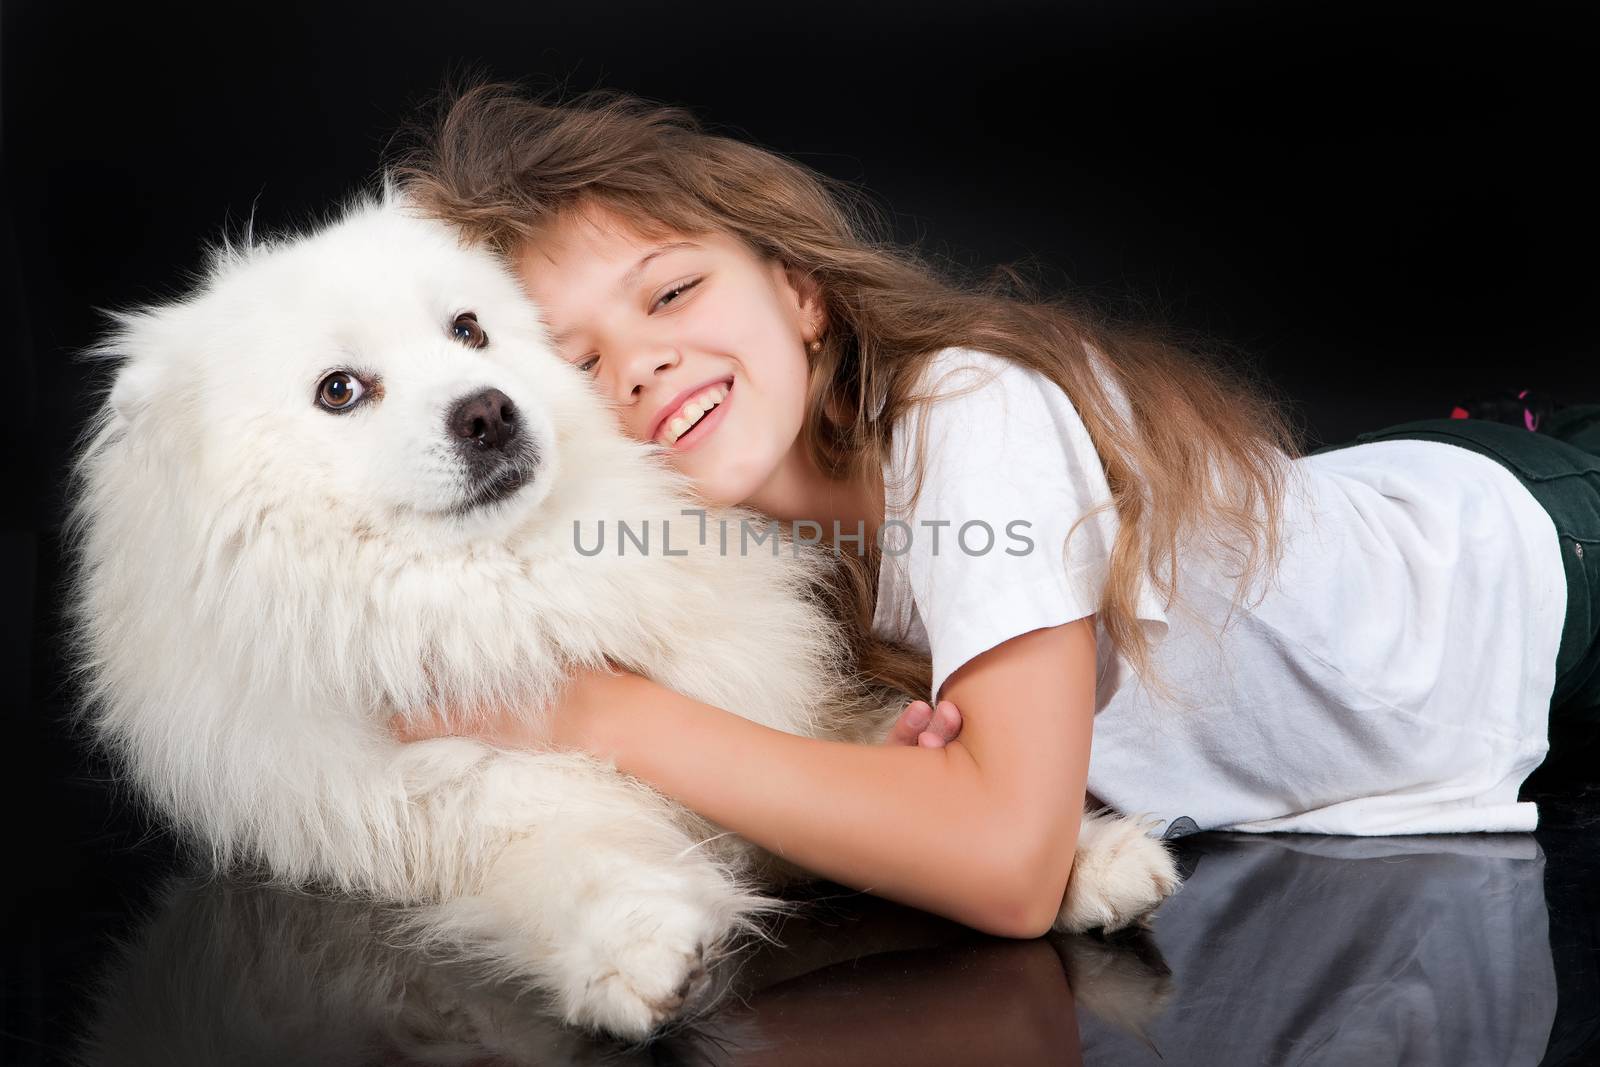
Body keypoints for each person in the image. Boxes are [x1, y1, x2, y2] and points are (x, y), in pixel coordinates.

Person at [387, 83, 1600, 938]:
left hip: (1533, 562)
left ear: (802, 292)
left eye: (672, 290)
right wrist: (894, 777)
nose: (641, 364)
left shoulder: (972, 410)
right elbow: (895, 805)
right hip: (1393, 482)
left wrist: (588, 709)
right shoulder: (726, 552)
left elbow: (1008, 870)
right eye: (575, 359)